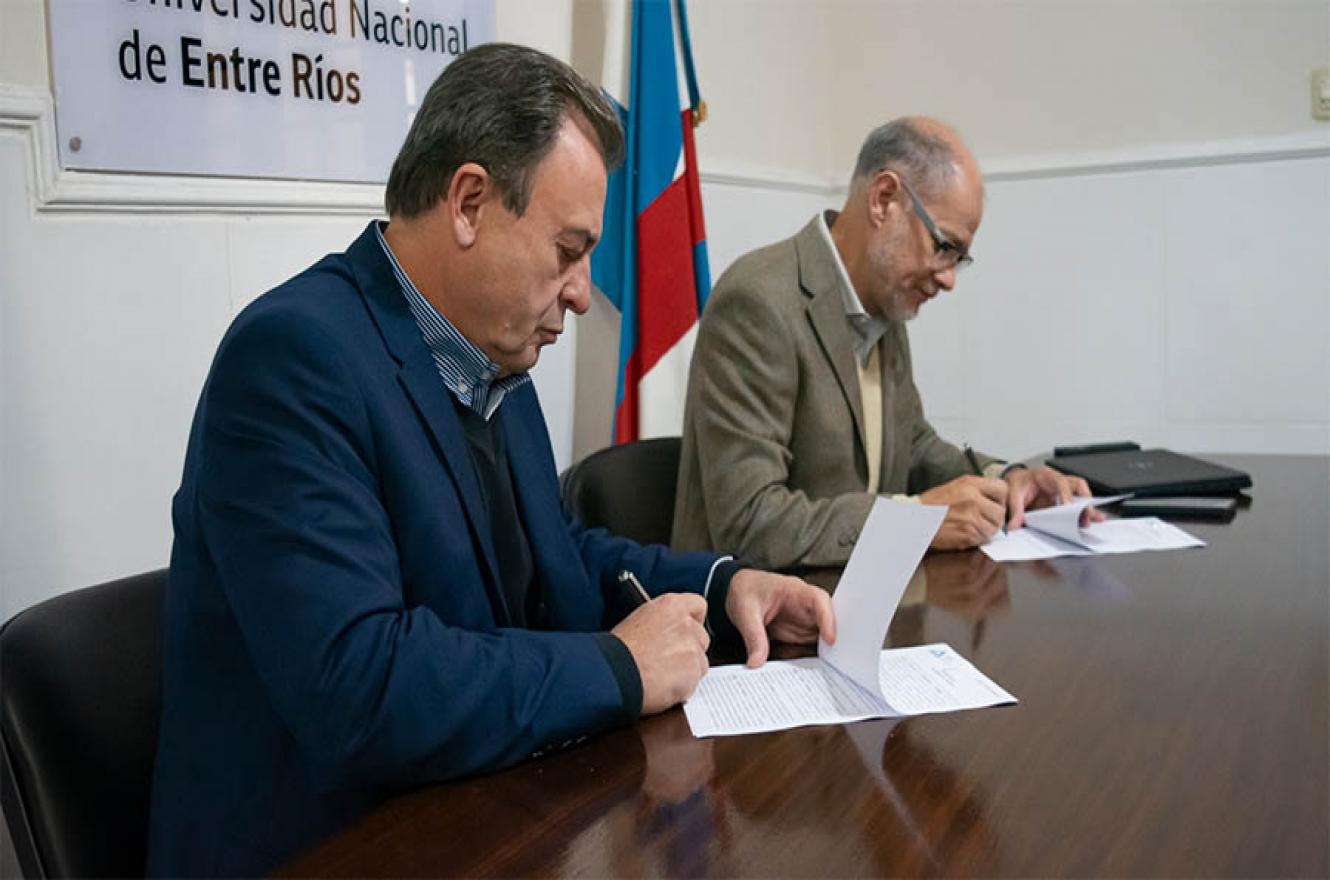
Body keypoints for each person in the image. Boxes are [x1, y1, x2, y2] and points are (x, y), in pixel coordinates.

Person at [147, 43, 834, 877]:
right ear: (469, 202)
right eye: (568, 250)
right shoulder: (295, 357)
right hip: (328, 845)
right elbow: (358, 683)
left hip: (479, 814)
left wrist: (725, 589)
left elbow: (557, 557)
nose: (583, 292)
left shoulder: (490, 352)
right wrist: (618, 666)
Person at [673, 117, 1094, 569]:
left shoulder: (885, 303)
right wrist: (918, 520)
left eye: (959, 257)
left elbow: (914, 449)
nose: (949, 278)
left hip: (858, 598)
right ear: (884, 199)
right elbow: (751, 522)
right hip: (752, 623)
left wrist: (1008, 479)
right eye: (944, 246)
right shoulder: (759, 301)